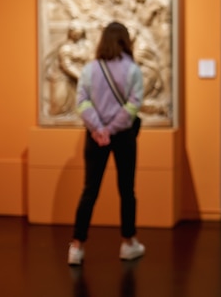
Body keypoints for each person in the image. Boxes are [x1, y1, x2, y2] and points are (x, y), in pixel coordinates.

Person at [68, 21, 145, 265]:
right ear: (125, 40)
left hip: (95, 137)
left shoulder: (90, 69)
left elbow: (81, 102)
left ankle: (77, 247)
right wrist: (111, 129)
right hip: (122, 136)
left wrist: (99, 129)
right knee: (127, 190)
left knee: (89, 191)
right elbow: (133, 106)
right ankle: (128, 243)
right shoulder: (132, 69)